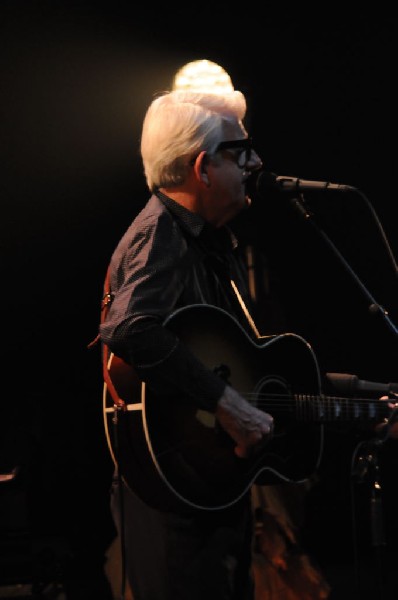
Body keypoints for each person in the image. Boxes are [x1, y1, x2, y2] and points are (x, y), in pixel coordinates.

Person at [99, 87, 274, 600]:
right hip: (171, 503)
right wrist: (229, 408)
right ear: (202, 167)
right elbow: (130, 328)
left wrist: (365, 407)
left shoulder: (201, 241)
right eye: (240, 151)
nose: (256, 162)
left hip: (203, 486)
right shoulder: (163, 234)